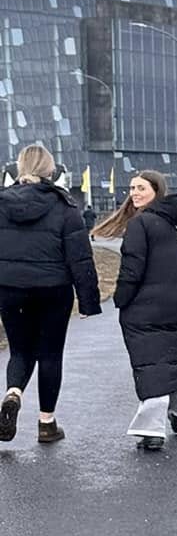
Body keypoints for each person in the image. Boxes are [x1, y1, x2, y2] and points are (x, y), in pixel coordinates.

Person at [0, 142, 102, 446]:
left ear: (19, 168)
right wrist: (88, 300)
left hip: (10, 288)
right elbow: (80, 257)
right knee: (50, 354)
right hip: (53, 290)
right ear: (50, 170)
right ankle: (47, 424)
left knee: (19, 350)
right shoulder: (65, 206)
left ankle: (12, 394)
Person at [94, 171, 177, 451]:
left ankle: (151, 429)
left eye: (141, 188)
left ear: (157, 191)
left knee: (150, 362)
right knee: (174, 357)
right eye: (132, 188)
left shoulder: (140, 224)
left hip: (146, 306)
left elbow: (132, 268)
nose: (134, 193)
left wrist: (121, 299)